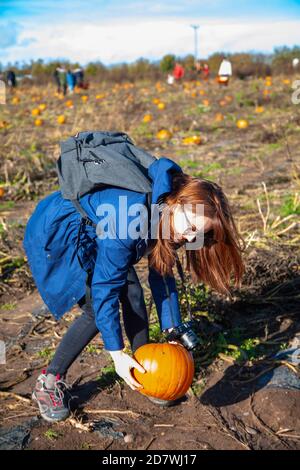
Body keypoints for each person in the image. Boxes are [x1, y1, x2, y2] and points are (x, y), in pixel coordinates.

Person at [23, 154, 245, 422]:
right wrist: (116, 354)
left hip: (102, 231)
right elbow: (106, 289)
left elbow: (162, 273)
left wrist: (172, 328)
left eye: (197, 234)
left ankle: (144, 371)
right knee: (97, 309)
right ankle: (50, 380)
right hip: (63, 232)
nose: (189, 238)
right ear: (176, 204)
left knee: (134, 296)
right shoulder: (132, 215)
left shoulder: (179, 210)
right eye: (189, 229)